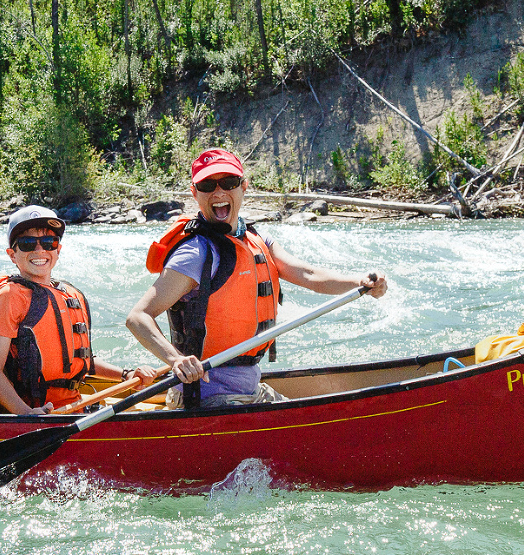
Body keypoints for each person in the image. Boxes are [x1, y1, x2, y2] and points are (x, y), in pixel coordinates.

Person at [126, 148, 388, 408]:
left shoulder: (258, 241)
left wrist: (359, 282)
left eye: (228, 182)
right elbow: (138, 317)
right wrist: (175, 360)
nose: (218, 192)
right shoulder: (194, 254)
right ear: (195, 193)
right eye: (207, 184)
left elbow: (308, 275)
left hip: (249, 388)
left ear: (244, 187)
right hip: (205, 397)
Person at [0, 205, 157, 415]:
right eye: (27, 243)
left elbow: (81, 361)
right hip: (41, 413)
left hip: (75, 407)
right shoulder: (10, 296)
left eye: (49, 242)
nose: (39, 250)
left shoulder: (70, 294)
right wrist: (25, 413)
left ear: (58, 250)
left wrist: (126, 375)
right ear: (12, 255)